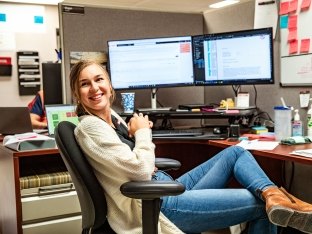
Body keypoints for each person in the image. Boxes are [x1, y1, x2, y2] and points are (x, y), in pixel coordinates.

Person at [69, 60, 312, 234]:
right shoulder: (90, 127)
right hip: (157, 205)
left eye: (99, 79)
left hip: (161, 189)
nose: (94, 88)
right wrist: (143, 133)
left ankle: (274, 195)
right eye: (85, 84)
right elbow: (140, 172)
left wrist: (138, 134)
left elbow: (139, 164)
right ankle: (278, 201)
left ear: (110, 85)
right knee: (260, 207)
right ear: (77, 95)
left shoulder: (111, 118)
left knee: (236, 152)